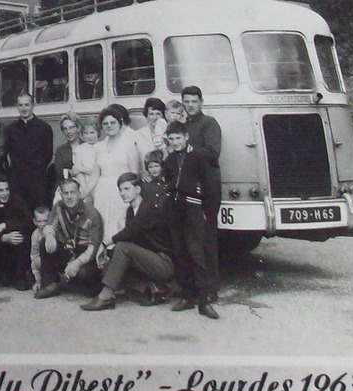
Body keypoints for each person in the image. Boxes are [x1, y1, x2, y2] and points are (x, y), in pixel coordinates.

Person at [81, 172, 185, 313]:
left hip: (163, 262)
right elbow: (131, 239)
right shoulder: (131, 211)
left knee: (122, 248)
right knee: (113, 256)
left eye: (126, 189)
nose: (122, 193)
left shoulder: (147, 209)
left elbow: (130, 231)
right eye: (120, 190)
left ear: (137, 190)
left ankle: (106, 296)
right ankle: (152, 287)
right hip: (148, 260)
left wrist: (104, 244)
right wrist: (108, 254)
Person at [161, 121, 218, 317]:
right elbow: (167, 182)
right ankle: (187, 296)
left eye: (178, 138)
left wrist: (206, 211)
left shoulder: (198, 157)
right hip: (175, 209)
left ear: (186, 136)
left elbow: (210, 186)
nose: (175, 142)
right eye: (171, 139)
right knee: (180, 252)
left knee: (196, 254)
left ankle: (204, 301)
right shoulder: (168, 160)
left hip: (193, 209)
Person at [181, 86, 224, 301]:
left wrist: (188, 151)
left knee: (207, 238)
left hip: (207, 188)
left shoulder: (209, 124)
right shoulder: (182, 125)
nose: (190, 105)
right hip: (187, 188)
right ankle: (192, 288)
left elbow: (213, 152)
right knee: (188, 239)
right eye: (186, 101)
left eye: (194, 101)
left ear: (201, 102)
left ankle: (211, 288)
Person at [34, 177, 104, 298]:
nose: (69, 197)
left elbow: (93, 247)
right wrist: (49, 235)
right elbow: (49, 225)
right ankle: (50, 284)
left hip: (86, 252)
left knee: (84, 277)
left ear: (79, 193)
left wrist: (77, 263)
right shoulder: (59, 206)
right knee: (45, 242)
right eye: (66, 193)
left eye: (73, 192)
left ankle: (80, 282)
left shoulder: (92, 214)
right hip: (69, 247)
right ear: (61, 194)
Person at [91, 105, 143, 241]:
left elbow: (134, 175)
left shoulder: (129, 145)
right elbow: (94, 176)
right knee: (102, 228)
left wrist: (133, 198)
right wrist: (83, 195)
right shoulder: (99, 147)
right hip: (102, 194)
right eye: (105, 123)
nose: (109, 126)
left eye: (113, 122)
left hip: (122, 194)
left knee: (120, 227)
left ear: (120, 123)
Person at [3, 91, 54, 213]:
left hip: (37, 181)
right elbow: (5, 153)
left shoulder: (44, 128)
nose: (24, 108)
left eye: (27, 105)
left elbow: (48, 154)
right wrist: (11, 175)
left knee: (38, 213)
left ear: (33, 105)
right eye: (21, 105)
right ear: (17, 106)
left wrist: (38, 169)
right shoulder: (11, 129)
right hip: (17, 181)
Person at [50, 113, 83, 206]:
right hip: (66, 187)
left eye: (71, 127)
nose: (68, 131)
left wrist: (68, 171)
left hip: (85, 186)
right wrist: (73, 172)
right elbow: (59, 172)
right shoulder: (61, 150)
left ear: (78, 128)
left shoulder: (86, 146)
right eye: (65, 129)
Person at [27, 205, 53, 292]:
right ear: (35, 221)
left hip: (55, 261)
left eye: (45, 221)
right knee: (36, 262)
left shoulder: (54, 230)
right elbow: (34, 256)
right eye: (39, 221)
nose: (42, 224)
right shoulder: (35, 235)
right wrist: (38, 280)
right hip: (43, 264)